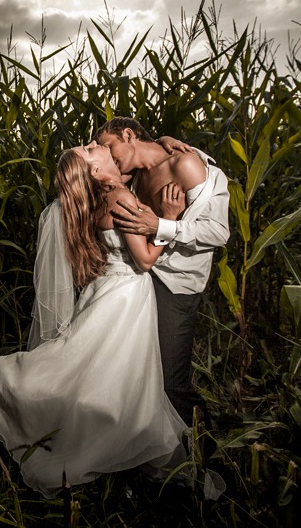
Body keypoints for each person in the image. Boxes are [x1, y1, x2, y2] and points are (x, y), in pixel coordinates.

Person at [0, 142, 189, 499]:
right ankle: (15, 388)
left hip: (104, 291)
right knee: (106, 378)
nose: (97, 144)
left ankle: (101, 441)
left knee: (92, 372)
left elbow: (134, 163)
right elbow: (146, 260)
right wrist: (171, 217)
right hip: (125, 298)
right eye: (90, 149)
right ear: (93, 171)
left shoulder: (95, 200)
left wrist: (161, 146)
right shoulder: (120, 197)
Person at [93, 117, 230, 438]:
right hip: (139, 280)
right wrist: (164, 138)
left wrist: (160, 226)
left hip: (175, 284)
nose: (106, 153)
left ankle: (204, 454)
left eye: (108, 145)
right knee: (139, 373)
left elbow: (218, 231)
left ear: (128, 134)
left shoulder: (185, 165)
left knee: (171, 380)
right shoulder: (135, 173)